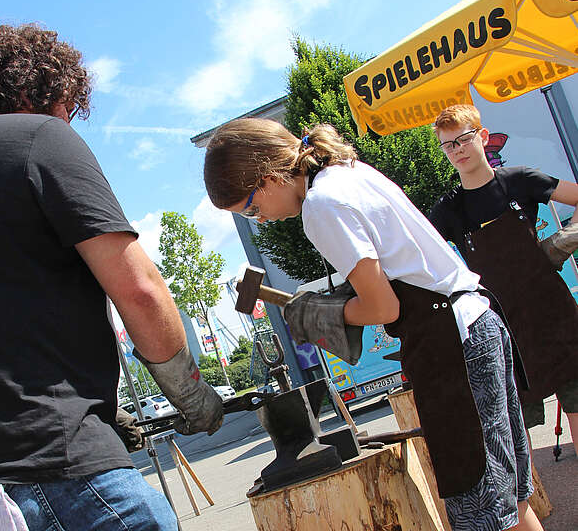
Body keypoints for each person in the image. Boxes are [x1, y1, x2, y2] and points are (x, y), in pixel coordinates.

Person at [0, 24, 223, 531]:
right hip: (53, 466)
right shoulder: (39, 137)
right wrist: (191, 394)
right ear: (37, 90)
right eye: (69, 110)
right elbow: (139, 291)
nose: (69, 124)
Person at [203, 118, 543, 531]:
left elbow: (383, 307)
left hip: (453, 343)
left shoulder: (320, 205)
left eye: (252, 208)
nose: (262, 219)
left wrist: (321, 313)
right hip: (479, 322)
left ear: (269, 175)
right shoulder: (348, 171)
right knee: (510, 502)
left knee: (484, 514)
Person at [429, 104, 578, 458]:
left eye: (463, 139)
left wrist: (563, 240)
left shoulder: (519, 180)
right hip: (502, 329)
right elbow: (419, 255)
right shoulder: (449, 210)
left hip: (553, 314)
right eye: (448, 145)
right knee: (514, 433)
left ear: (482, 136)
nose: (458, 150)